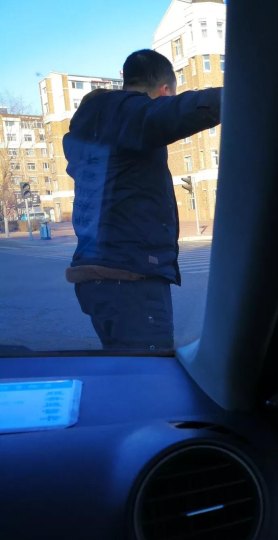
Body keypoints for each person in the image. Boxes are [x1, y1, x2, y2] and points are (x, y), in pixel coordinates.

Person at [63, 49, 222, 351]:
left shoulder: (100, 126)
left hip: (96, 275)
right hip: (130, 277)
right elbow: (175, 113)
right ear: (164, 91)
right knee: (149, 380)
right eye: (170, 96)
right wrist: (241, 94)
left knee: (124, 371)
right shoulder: (129, 113)